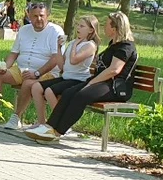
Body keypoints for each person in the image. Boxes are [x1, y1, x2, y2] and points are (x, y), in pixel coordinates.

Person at [26, 11, 139, 142]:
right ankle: (49, 126)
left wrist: (92, 83)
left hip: (115, 87)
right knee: (68, 93)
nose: (103, 27)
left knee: (81, 96)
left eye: (106, 25)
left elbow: (114, 70)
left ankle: (57, 132)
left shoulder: (126, 46)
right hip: (103, 83)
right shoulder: (114, 44)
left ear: (115, 28)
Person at [0, 1, 65, 130]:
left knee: (28, 82)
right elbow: (14, 54)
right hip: (22, 69)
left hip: (46, 73)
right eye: (35, 16)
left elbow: (55, 59)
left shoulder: (55, 31)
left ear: (48, 15)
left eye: (41, 15)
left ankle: (16, 117)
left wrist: (37, 73)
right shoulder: (24, 30)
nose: (38, 19)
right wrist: (5, 67)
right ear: (28, 15)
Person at [25, 15, 99, 130]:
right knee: (36, 87)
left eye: (82, 26)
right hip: (66, 76)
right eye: (78, 25)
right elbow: (61, 66)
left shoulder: (90, 45)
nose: (78, 28)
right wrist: (59, 47)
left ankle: (59, 123)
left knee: (49, 91)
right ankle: (41, 122)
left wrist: (75, 45)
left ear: (91, 30)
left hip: (78, 80)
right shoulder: (73, 42)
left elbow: (74, 61)